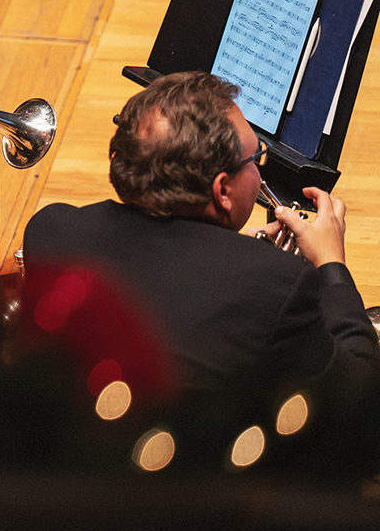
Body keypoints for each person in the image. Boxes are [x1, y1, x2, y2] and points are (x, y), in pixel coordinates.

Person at [23, 71, 380, 399]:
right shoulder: (278, 289)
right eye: (254, 158)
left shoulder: (52, 232)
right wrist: (332, 265)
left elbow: (165, 285)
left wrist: (238, 250)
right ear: (222, 191)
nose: (258, 169)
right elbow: (356, 390)